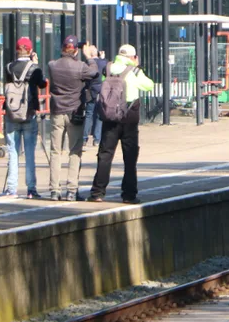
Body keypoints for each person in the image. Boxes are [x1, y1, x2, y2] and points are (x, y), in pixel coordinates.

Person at [89, 44, 154, 203]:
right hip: (129, 116)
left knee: (105, 155)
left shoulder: (108, 68)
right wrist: (137, 67)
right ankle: (128, 195)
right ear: (132, 57)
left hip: (109, 116)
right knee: (130, 157)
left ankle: (97, 192)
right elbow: (149, 85)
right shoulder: (135, 71)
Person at [47, 36, 99, 201]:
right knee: (74, 151)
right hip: (75, 112)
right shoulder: (81, 67)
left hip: (57, 112)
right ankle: (71, 190)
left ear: (62, 48)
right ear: (76, 50)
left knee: (55, 151)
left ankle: (55, 190)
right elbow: (94, 72)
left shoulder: (52, 65)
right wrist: (89, 56)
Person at [0, 38, 48, 199]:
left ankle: (11, 188)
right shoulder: (34, 69)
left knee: (13, 152)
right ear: (30, 50)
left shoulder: (8, 67)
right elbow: (42, 85)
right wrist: (36, 63)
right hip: (29, 112)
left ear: (16, 50)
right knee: (29, 152)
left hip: (11, 113)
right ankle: (31, 189)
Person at [82, 49, 108, 148]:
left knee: (88, 114)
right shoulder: (103, 62)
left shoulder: (88, 63)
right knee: (99, 116)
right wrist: (103, 57)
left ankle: (84, 139)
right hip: (101, 91)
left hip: (90, 91)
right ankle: (97, 140)